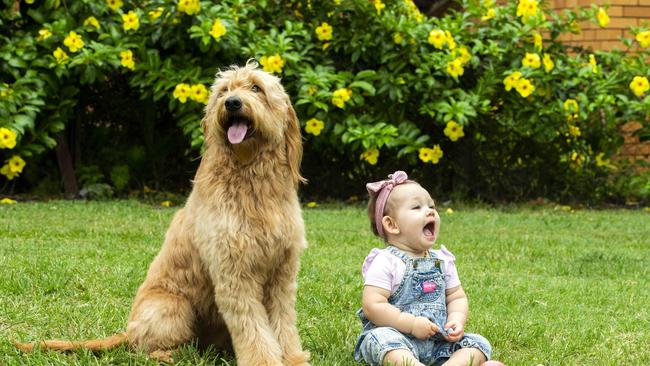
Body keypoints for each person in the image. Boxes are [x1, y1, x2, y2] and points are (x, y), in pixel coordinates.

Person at [354, 171, 496, 366]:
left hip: (438, 343)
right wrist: (411, 324)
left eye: (431, 206)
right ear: (391, 224)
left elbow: (456, 297)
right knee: (380, 340)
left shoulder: (443, 260)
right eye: (416, 207)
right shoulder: (386, 261)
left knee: (479, 343)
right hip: (398, 337)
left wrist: (456, 319)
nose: (430, 211)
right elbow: (373, 306)